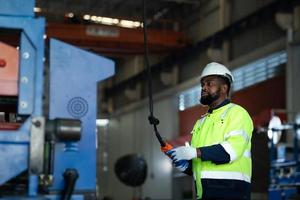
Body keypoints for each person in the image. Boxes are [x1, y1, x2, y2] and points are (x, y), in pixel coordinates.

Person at [167, 62, 253, 200]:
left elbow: (231, 151)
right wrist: (186, 166)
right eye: (202, 85)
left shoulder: (237, 114)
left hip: (231, 192)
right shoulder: (200, 123)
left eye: (209, 83)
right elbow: (202, 165)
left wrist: (194, 152)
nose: (204, 88)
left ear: (224, 88)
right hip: (205, 194)